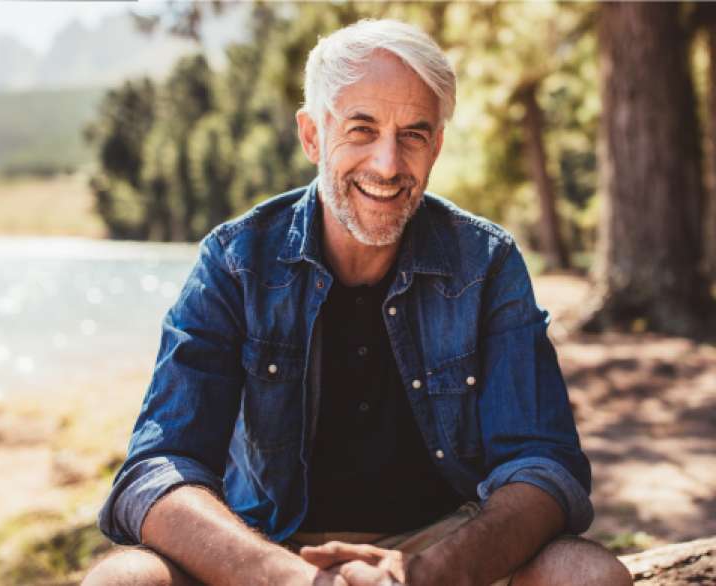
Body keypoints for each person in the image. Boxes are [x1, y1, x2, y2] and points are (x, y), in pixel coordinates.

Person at [83, 19, 632, 586]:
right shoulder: (235, 260)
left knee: (587, 575)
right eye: (362, 129)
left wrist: (427, 573)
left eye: (414, 134)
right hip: (265, 548)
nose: (389, 164)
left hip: (443, 547)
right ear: (312, 135)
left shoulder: (485, 262)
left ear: (437, 145)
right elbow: (156, 469)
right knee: (123, 580)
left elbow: (544, 465)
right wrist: (289, 578)